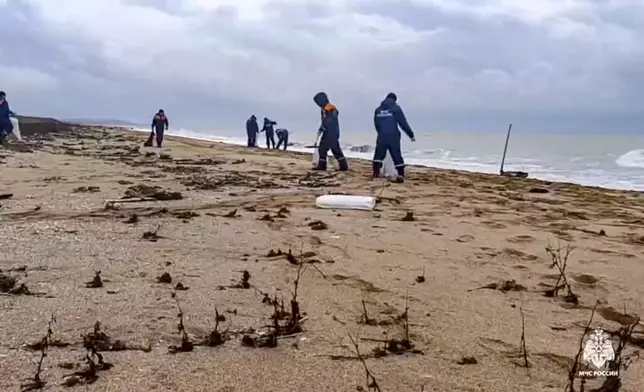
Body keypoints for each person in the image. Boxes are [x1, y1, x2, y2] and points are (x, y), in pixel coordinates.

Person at [372, 92, 415, 182]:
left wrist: (381, 133)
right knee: (396, 154)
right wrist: (410, 135)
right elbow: (403, 123)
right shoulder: (396, 109)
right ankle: (401, 174)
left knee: (378, 154)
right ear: (394, 100)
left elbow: (376, 124)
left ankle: (375, 173)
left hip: (382, 135)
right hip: (393, 135)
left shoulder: (378, 110)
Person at [312, 92, 348, 171]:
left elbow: (332, 118)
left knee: (322, 148)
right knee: (335, 149)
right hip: (330, 132)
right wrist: (321, 127)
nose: (317, 104)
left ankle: (322, 166)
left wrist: (324, 125)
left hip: (331, 132)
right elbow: (324, 120)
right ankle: (344, 166)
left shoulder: (330, 108)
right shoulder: (324, 109)